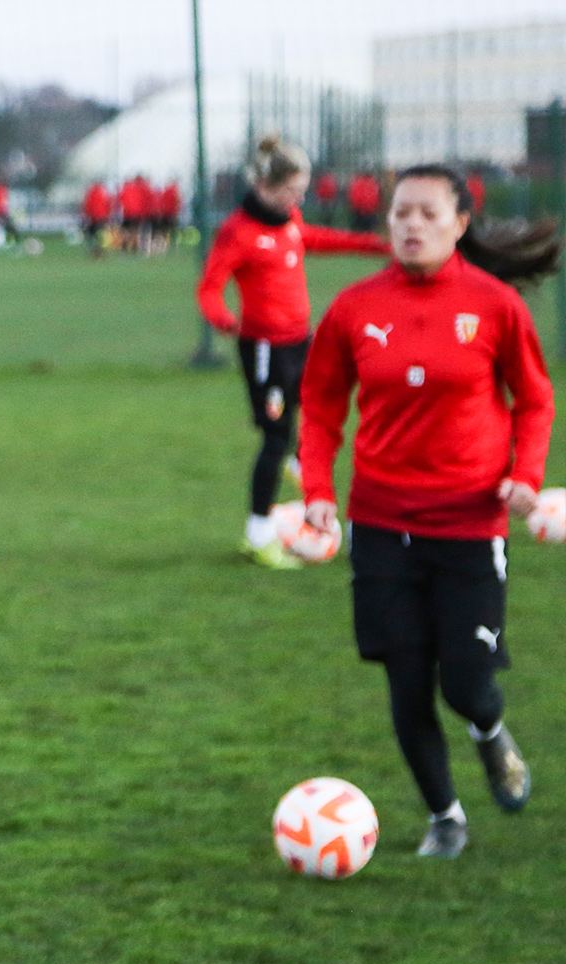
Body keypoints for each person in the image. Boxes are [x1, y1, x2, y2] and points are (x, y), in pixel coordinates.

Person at [296, 163, 558, 857]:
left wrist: (525, 476)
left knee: (468, 688)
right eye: (400, 213)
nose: (410, 225)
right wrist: (318, 493)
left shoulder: (497, 305)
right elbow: (321, 407)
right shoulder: (354, 308)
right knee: (407, 684)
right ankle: (446, 816)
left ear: (460, 224)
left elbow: (534, 400)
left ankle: (490, 733)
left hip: (470, 526)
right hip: (381, 525)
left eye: (427, 214)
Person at [196, 134, 389, 568]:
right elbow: (209, 288)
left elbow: (317, 238)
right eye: (292, 191)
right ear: (266, 185)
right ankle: (258, 535)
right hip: (264, 349)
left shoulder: (289, 221)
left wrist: (376, 245)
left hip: (300, 341)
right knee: (274, 439)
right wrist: (226, 321)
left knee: (323, 409)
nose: (298, 199)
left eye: (301, 192)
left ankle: (303, 469)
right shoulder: (238, 232)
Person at [82, 179, 112, 258]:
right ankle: (101, 251)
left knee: (92, 235)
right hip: (102, 217)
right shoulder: (105, 192)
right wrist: (108, 215)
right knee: (100, 235)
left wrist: (86, 215)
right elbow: (109, 204)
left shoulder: (90, 192)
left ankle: (95, 251)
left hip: (94, 218)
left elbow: (87, 205)